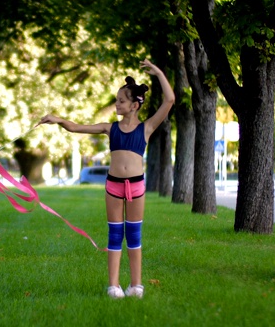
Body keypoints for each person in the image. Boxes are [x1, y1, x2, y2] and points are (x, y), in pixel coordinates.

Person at [38, 59, 175, 299]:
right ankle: (113, 286)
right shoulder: (109, 128)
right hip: (113, 186)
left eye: (121, 101)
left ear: (134, 105)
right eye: (116, 100)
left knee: (133, 235)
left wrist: (159, 72)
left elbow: (170, 100)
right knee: (114, 235)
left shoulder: (146, 127)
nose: (116, 104)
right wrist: (58, 119)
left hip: (136, 186)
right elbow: (77, 127)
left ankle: (136, 286)